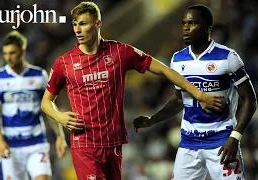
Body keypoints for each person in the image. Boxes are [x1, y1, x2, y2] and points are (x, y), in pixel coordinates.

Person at [41, 2, 225, 180]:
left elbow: (163, 70)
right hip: (85, 144)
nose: (78, 30)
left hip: (113, 143)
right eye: (75, 25)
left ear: (97, 24)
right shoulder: (63, 63)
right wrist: (59, 117)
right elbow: (46, 101)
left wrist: (200, 94)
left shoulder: (120, 52)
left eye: (83, 24)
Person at [133, 4, 257, 180]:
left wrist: (235, 137)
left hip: (222, 143)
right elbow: (179, 100)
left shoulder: (228, 57)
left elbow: (250, 101)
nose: (185, 28)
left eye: (192, 23)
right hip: (189, 144)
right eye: (184, 23)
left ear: (207, 27)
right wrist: (153, 119)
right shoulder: (177, 59)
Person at [0, 30, 67, 180]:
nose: (8, 57)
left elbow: (48, 108)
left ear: (22, 51)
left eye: (12, 53)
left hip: (36, 143)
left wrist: (60, 135)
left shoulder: (39, 75)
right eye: (5, 53)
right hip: (11, 146)